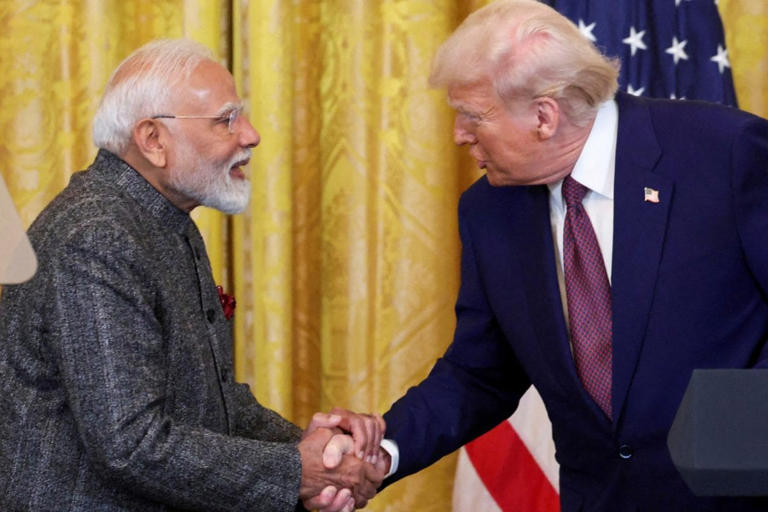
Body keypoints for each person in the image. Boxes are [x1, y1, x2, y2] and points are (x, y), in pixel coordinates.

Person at [335, 1, 768, 510]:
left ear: (544, 115)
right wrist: (383, 453)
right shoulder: (489, 210)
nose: (459, 134)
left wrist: (727, 447)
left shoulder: (727, 153)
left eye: (473, 116)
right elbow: (479, 372)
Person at [0, 39, 386, 512]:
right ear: (153, 140)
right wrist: (299, 471)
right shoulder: (97, 235)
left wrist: (314, 448)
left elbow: (209, 400)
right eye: (227, 119)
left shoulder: (158, 218)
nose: (251, 135)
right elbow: (131, 444)